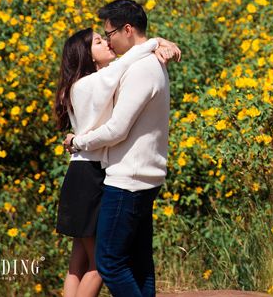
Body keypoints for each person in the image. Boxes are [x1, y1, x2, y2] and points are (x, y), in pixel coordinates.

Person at [53, 27, 180, 297]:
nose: (108, 42)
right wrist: (155, 42)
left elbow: (124, 64)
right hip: (92, 174)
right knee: (101, 264)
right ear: (86, 57)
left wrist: (154, 46)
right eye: (99, 42)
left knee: (77, 263)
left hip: (79, 171)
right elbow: (125, 63)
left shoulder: (77, 86)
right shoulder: (93, 82)